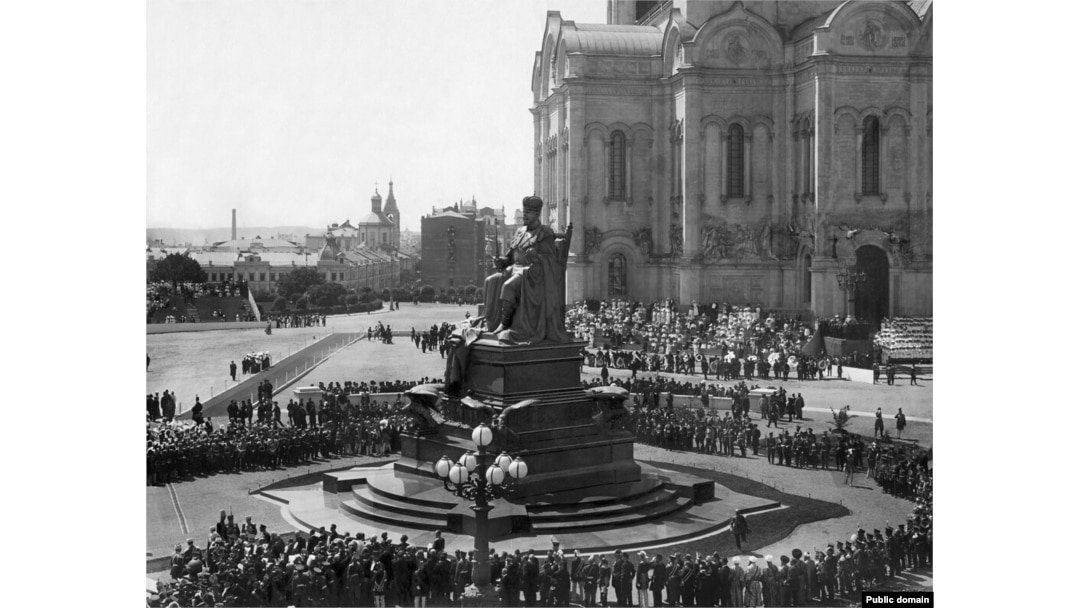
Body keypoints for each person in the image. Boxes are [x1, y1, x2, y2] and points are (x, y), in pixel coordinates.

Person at [478, 196, 574, 344]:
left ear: (537, 214)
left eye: (528, 212)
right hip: (513, 269)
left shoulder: (545, 233)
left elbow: (551, 261)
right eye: (524, 211)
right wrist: (502, 261)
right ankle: (490, 322)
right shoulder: (519, 232)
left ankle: (504, 322)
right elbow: (511, 256)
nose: (524, 215)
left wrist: (536, 257)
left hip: (531, 273)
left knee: (508, 286)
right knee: (490, 281)